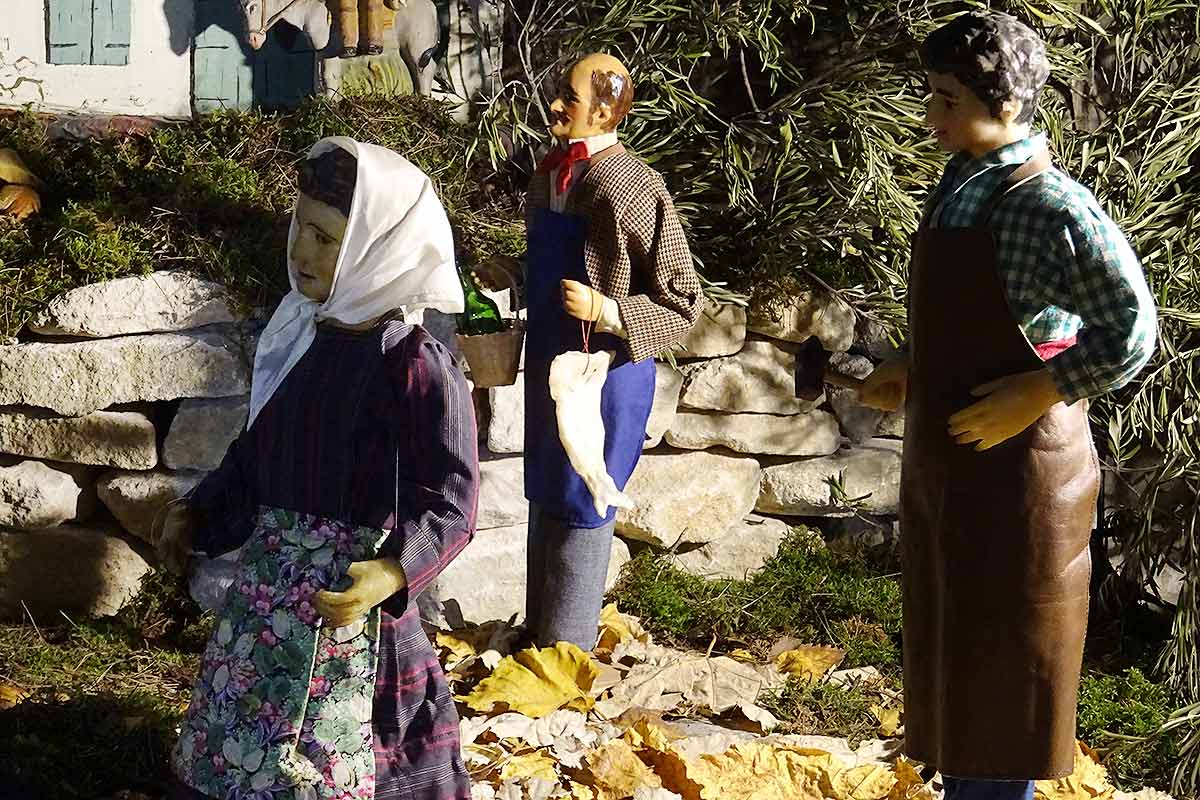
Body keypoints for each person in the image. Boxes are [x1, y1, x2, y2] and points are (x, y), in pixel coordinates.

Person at [858, 11, 1157, 799]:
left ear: (1010, 103)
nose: (933, 116)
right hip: (951, 471)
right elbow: (982, 314)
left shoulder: (1049, 203)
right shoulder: (960, 185)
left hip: (1025, 484)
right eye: (933, 95)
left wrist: (1043, 388)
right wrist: (911, 364)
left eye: (948, 99)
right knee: (955, 667)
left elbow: (1133, 328)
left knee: (1007, 678)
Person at [158, 136, 478, 800]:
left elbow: (450, 495)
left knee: (353, 754)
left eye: (327, 238)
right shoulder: (301, 334)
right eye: (300, 227)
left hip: (349, 602)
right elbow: (257, 455)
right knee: (248, 740)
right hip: (269, 598)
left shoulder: (412, 361)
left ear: (377, 247)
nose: (302, 251)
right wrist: (200, 513)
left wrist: (395, 568)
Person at [520, 52, 703, 650]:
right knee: (546, 489)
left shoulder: (632, 187)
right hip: (552, 364)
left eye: (567, 99)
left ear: (604, 108)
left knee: (584, 498)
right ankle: (535, 642)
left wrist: (609, 311)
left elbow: (683, 301)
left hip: (606, 371)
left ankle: (566, 655)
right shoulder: (548, 176)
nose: (553, 107)